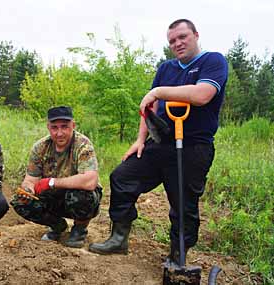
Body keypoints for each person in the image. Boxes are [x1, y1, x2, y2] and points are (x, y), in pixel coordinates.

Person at [89, 19, 228, 261]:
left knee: (183, 204)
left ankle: (178, 256)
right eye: (172, 40)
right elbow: (149, 106)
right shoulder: (166, 69)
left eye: (183, 37)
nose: (178, 43)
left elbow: (203, 94)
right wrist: (140, 139)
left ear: (196, 35)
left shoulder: (213, 61)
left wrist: (159, 91)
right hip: (160, 143)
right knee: (122, 177)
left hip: (193, 147)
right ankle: (118, 239)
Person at [11, 106, 102, 248]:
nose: (59, 133)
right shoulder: (40, 147)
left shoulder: (82, 145)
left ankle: (79, 229)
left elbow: (90, 181)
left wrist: (52, 182)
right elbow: (30, 179)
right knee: (20, 202)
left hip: (79, 197)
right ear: (48, 127)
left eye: (64, 127)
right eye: (54, 127)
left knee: (82, 194)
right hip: (54, 196)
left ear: (73, 125)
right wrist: (27, 190)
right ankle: (57, 226)